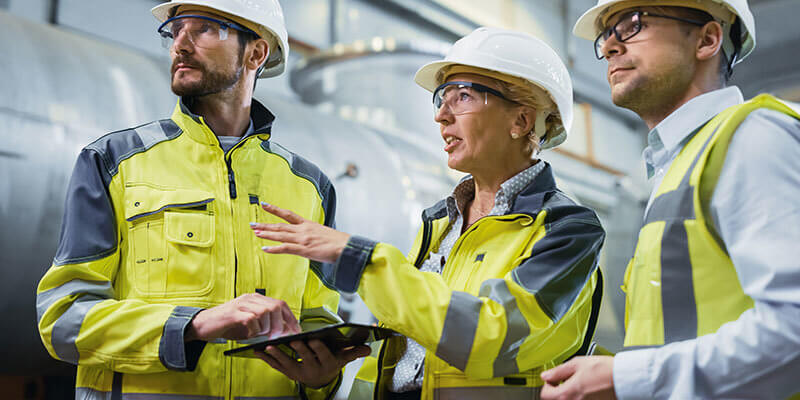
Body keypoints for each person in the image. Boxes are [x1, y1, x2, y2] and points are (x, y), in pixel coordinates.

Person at [248, 27, 606, 400]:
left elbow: (492, 339)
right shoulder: (439, 222)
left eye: (463, 96)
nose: (441, 116)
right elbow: (397, 356)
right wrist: (322, 380)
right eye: (441, 99)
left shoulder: (569, 231)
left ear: (522, 122)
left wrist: (360, 258)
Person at [35, 0, 367, 398]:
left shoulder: (309, 186)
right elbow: (64, 319)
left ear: (256, 53)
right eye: (175, 31)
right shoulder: (113, 163)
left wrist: (322, 381)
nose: (181, 44)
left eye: (204, 29)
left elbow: (315, 321)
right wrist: (194, 325)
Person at [539, 1, 800, 399]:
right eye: (605, 34)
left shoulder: (750, 138)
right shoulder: (675, 167)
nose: (609, 46)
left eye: (631, 24)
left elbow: (794, 329)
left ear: (708, 39)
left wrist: (627, 378)